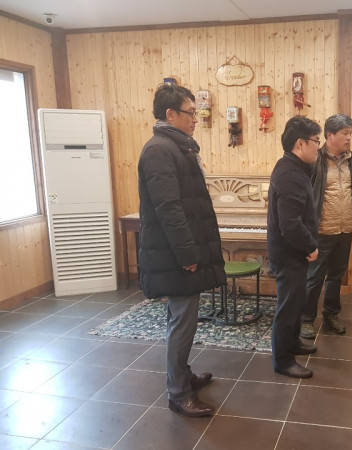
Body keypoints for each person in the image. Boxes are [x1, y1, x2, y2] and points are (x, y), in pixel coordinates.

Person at [137, 84, 226, 417]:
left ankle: (183, 375)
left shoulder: (177, 147)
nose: (196, 119)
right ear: (170, 114)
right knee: (182, 323)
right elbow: (169, 209)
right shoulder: (159, 150)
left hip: (180, 252)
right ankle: (178, 393)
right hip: (176, 256)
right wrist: (187, 255)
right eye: (191, 112)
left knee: (183, 319)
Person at [268, 116, 322, 378]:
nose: (318, 147)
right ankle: (282, 360)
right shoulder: (290, 174)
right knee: (288, 308)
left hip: (293, 253)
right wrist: (311, 246)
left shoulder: (294, 168)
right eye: (316, 141)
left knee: (296, 302)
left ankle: (292, 344)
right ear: (300, 143)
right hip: (289, 254)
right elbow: (290, 224)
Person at [300, 114, 352, 339]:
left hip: (345, 229)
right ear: (329, 135)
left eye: (350, 133)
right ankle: (306, 319)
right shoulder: (315, 160)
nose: (349, 138)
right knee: (314, 277)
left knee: (336, 276)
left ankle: (331, 314)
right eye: (345, 133)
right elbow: (307, 197)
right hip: (322, 230)